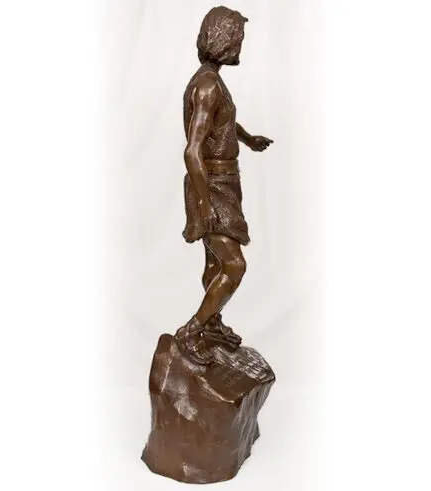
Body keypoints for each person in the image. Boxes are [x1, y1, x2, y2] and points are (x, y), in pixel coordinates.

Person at [175, 6, 273, 364]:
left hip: (223, 182)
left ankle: (212, 323)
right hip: (212, 184)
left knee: (216, 263)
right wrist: (205, 205)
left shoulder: (212, 82)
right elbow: (192, 151)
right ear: (223, 39)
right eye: (237, 38)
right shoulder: (207, 86)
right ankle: (191, 331)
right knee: (234, 266)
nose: (240, 45)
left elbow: (224, 123)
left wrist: (248, 139)